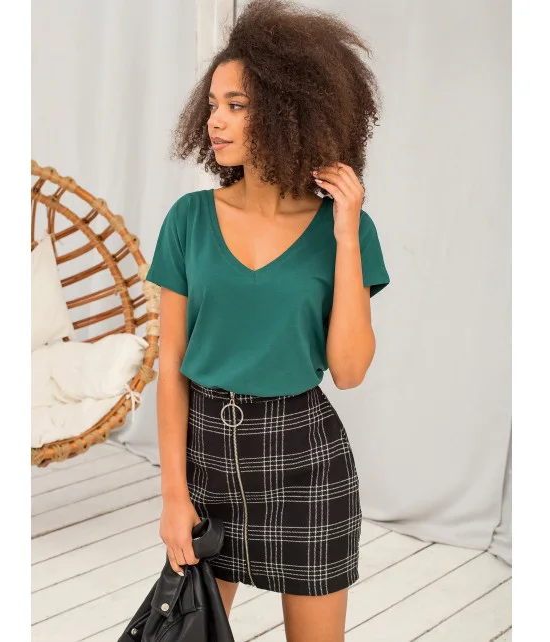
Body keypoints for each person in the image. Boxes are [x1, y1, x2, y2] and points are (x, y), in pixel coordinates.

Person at [145, 1, 390, 639]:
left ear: (288, 112)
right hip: (207, 455)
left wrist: (345, 235)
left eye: (237, 105)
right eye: (213, 104)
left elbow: (349, 370)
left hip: (305, 460)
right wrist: (174, 497)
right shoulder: (189, 219)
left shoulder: (347, 232)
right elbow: (169, 366)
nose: (215, 120)